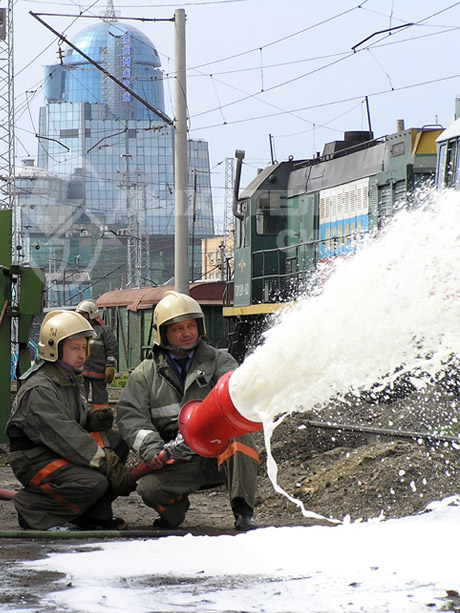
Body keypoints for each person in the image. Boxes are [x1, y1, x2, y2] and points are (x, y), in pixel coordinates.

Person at [116, 291, 260, 532]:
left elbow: (236, 393)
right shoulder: (144, 375)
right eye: (178, 328)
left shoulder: (219, 362)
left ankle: (243, 512)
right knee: (149, 490)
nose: (187, 333)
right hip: (177, 460)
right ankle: (173, 515)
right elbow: (131, 416)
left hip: (217, 454)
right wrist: (152, 449)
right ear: (162, 333)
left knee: (240, 438)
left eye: (191, 325)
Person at [5, 310, 136, 531]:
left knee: (118, 440)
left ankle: (94, 515)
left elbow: (71, 418)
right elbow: (65, 435)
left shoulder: (67, 378)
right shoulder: (39, 389)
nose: (82, 354)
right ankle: (32, 509)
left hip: (53, 448)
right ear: (54, 349)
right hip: (35, 458)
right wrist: (105, 461)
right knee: (94, 482)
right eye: (75, 348)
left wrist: (91, 419)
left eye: (84, 347)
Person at [75, 299, 118, 409]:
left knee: (100, 399)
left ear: (91, 314)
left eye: (83, 314)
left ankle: (100, 418)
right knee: (80, 397)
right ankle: (82, 417)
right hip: (82, 371)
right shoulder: (78, 331)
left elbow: (112, 349)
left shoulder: (103, 331)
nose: (81, 317)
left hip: (99, 371)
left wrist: (110, 366)